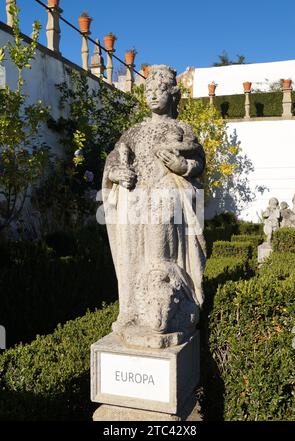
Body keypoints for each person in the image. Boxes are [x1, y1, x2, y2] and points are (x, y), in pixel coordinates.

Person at [102, 65, 206, 347]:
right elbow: (114, 159)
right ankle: (132, 311)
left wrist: (182, 165)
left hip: (165, 202)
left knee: (160, 260)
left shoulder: (182, 129)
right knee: (133, 259)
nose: (152, 96)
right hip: (135, 202)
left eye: (159, 91)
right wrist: (115, 173)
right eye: (148, 91)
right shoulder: (134, 132)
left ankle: (169, 310)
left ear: (173, 95)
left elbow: (199, 163)